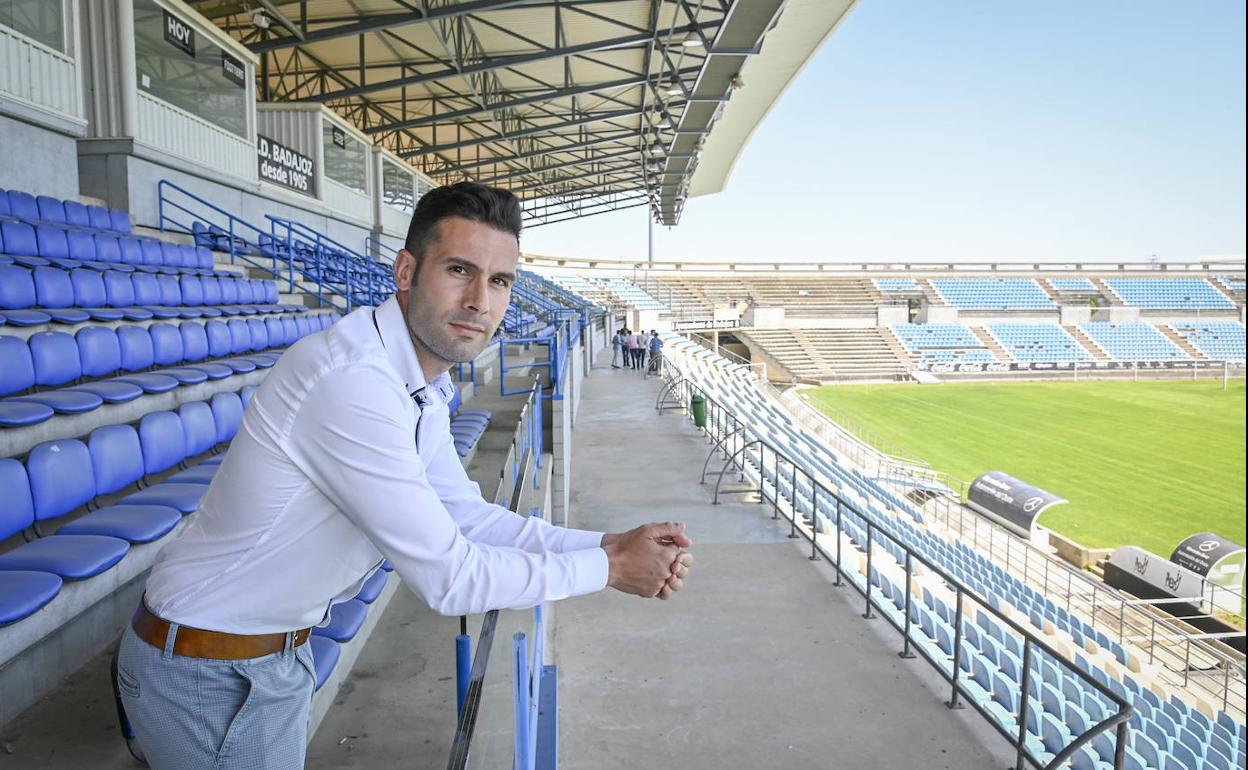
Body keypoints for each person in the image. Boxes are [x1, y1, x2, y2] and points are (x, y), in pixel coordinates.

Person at [116, 182, 694, 769]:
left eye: (500, 281)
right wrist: (612, 570)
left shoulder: (417, 382)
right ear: (406, 270)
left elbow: (465, 515)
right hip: (207, 672)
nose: (479, 301)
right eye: (459, 270)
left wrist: (606, 544)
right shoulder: (353, 381)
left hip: (263, 655)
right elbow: (449, 578)